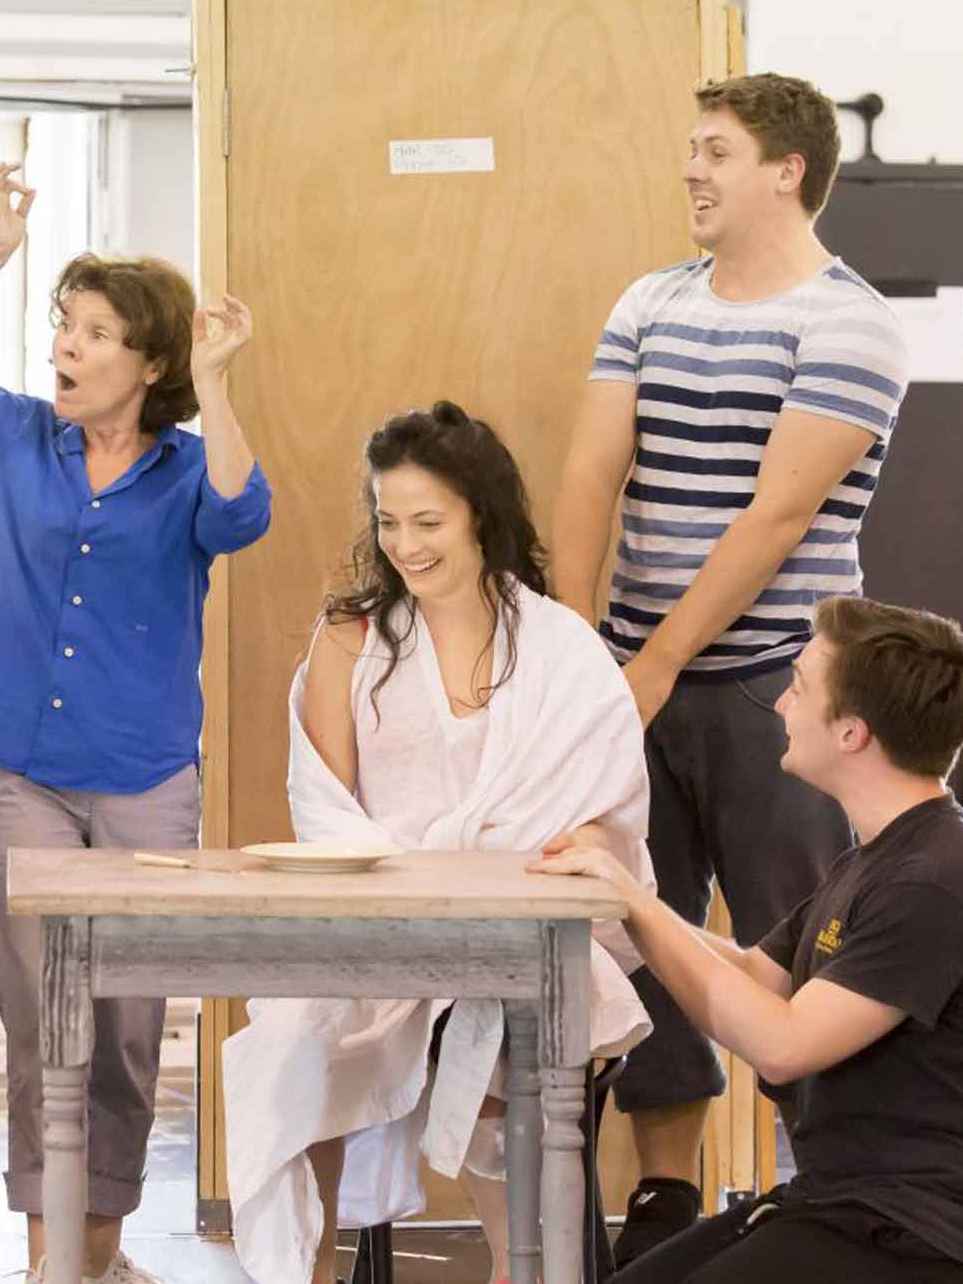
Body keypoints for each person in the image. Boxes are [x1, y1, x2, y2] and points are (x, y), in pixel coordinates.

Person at [0, 163, 272, 1284]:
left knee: (129, 1023)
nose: (68, 345)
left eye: (96, 332)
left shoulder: (188, 471)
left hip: (144, 777)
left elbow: (243, 517)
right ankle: (52, 1256)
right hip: (25, 771)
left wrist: (217, 383)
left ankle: (103, 1253)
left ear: (148, 365)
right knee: (40, 1014)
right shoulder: (11, 436)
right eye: (63, 324)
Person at [547, 71, 910, 1260]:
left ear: (784, 169)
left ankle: (842, 1201)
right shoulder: (650, 299)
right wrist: (573, 652)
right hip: (630, 682)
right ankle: (663, 1197)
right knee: (636, 938)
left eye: (712, 151)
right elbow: (592, 471)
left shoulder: (850, 322)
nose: (690, 171)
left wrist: (648, 661)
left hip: (773, 692)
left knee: (797, 956)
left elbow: (774, 516)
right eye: (690, 149)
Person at [222, 402, 653, 1284]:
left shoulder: (564, 650)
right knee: (301, 1030)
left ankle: (520, 1271)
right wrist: (409, 891)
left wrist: (486, 889)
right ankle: (307, 1271)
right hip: (372, 913)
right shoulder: (351, 641)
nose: (405, 545)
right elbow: (325, 806)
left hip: (515, 924)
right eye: (387, 521)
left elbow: (602, 812)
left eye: (428, 522)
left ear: (480, 519)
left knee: (501, 1021)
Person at [534, 597, 963, 1284]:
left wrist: (633, 902)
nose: (780, 705)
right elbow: (756, 975)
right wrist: (620, 901)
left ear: (852, 734)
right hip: (846, 1203)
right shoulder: (879, 857)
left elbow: (782, 1045)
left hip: (925, 1237)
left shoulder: (934, 884)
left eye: (800, 687)